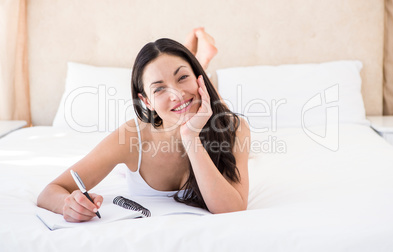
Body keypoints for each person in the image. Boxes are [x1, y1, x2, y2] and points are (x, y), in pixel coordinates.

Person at [37, 28, 250, 222]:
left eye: (183, 77)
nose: (176, 94)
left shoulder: (236, 129)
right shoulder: (131, 137)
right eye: (159, 89)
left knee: (214, 112)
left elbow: (232, 209)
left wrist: (190, 137)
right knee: (191, 101)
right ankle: (198, 62)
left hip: (213, 124)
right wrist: (68, 205)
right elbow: (50, 192)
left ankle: (200, 63)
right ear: (146, 101)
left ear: (198, 78)